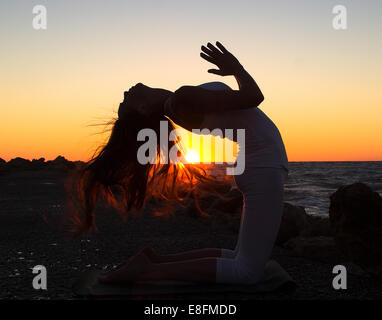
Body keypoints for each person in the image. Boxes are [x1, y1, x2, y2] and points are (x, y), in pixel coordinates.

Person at [76, 42, 288, 284]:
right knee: (246, 272)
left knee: (238, 256)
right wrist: (236, 68)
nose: (125, 94)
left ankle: (154, 263)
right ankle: (146, 272)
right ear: (144, 109)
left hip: (258, 167)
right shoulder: (182, 100)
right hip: (263, 169)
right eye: (126, 103)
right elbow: (254, 97)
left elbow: (245, 104)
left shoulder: (179, 106)